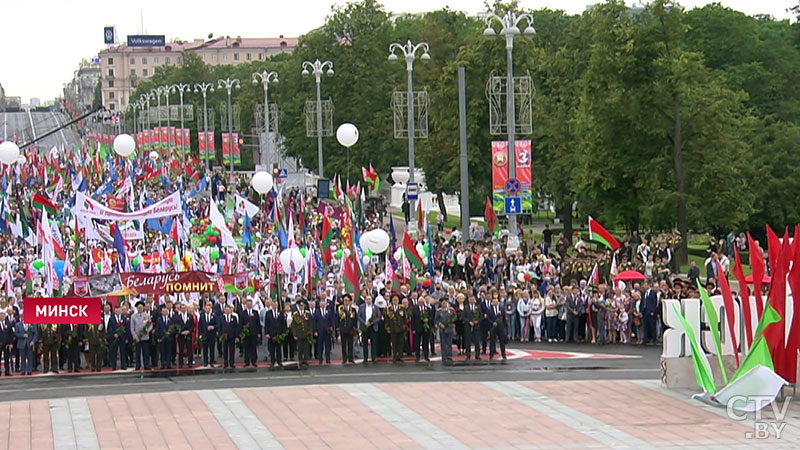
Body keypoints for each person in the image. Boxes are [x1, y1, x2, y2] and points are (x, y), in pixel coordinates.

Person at [358, 294, 380, 364]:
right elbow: (359, 316)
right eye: (367, 299)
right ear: (365, 300)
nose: (368, 300)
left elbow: (378, 317)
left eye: (369, 299)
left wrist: (372, 322)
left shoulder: (375, 307)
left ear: (372, 299)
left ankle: (374, 358)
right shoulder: (361, 307)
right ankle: (365, 358)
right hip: (365, 327)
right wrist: (364, 322)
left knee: (374, 343)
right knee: (365, 343)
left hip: (373, 327)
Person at [384, 295, 407, 363]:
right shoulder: (389, 308)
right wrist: (387, 327)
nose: (395, 301)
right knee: (394, 343)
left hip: (400, 327)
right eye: (394, 300)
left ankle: (400, 356)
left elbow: (404, 318)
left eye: (396, 300)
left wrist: (404, 326)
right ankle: (394, 356)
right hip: (393, 328)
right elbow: (387, 319)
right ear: (392, 301)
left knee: (400, 343)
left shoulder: (402, 308)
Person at [130, 301, 152, 371]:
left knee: (146, 352)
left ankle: (146, 364)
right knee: (137, 352)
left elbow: (150, 325)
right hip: (137, 338)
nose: (140, 309)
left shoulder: (146, 316)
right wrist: (135, 337)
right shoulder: (133, 316)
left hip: (145, 337)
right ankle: (138, 365)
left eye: (141, 308)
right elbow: (132, 328)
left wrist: (146, 331)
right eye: (139, 308)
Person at [291, 300, 312, 368]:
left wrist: (310, 332)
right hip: (299, 333)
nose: (301, 307)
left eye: (302, 306)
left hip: (306, 333)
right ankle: (300, 360)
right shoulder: (295, 314)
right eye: (300, 306)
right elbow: (293, 325)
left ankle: (305, 360)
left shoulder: (307, 313)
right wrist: (294, 334)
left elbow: (310, 324)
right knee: (300, 348)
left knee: (306, 348)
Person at [264, 298, 285, 367]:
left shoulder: (281, 313)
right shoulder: (268, 313)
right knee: (271, 349)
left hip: (279, 334)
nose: (274, 305)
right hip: (271, 334)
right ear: (271, 305)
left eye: (276, 304)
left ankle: (279, 361)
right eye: (273, 304)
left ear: (278, 305)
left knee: (278, 348)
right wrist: (266, 333)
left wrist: (283, 333)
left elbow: (283, 323)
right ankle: (272, 361)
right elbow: (266, 324)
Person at [337, 295, 357, 365]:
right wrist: (338, 327)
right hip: (343, 328)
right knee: (343, 344)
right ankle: (344, 358)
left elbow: (355, 319)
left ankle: (350, 358)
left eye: (347, 301)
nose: (346, 302)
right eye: (345, 300)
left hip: (350, 329)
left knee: (350, 344)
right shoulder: (340, 309)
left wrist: (354, 328)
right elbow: (337, 319)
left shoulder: (353, 310)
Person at [240, 299, 260, 368]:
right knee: (246, 348)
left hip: (254, 333)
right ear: (246, 305)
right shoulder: (243, 313)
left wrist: (258, 332)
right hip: (246, 334)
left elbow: (258, 323)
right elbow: (241, 323)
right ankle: (247, 361)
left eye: (250, 304)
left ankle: (254, 361)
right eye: (247, 304)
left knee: (253, 347)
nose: (249, 305)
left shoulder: (255, 312)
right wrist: (242, 332)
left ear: (252, 305)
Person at [174, 303, 195, 369]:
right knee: (181, 349)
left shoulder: (190, 316)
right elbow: (176, 326)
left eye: (184, 308)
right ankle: (180, 363)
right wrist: (181, 332)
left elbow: (192, 325)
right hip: (181, 335)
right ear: (180, 309)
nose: (183, 309)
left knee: (189, 349)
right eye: (182, 308)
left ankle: (190, 362)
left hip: (188, 334)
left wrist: (189, 331)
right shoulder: (177, 317)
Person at [219, 304, 240, 368]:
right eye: (226, 310)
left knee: (232, 349)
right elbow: (220, 327)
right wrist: (220, 336)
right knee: (225, 349)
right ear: (224, 310)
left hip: (232, 335)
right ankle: (225, 362)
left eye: (228, 309)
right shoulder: (221, 318)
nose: (227, 311)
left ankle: (232, 362)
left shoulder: (234, 318)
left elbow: (236, 327)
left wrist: (237, 336)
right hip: (224, 336)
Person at [435, 299, 455, 363]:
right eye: (443, 304)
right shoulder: (439, 311)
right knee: (443, 343)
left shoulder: (451, 310)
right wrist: (440, 324)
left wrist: (451, 321)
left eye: (445, 304)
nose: (444, 305)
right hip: (442, 329)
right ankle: (444, 356)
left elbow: (455, 317)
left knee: (449, 343)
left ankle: (449, 356)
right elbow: (436, 320)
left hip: (449, 328)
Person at [462, 294, 481, 360]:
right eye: (471, 299)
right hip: (468, 327)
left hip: (476, 327)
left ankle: (477, 355)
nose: (472, 300)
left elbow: (480, 317)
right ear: (469, 300)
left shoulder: (478, 307)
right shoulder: (466, 307)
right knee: (468, 341)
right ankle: (468, 355)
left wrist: (477, 321)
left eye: (473, 299)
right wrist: (469, 321)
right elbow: (463, 317)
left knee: (477, 341)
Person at [198, 301, 218, 367]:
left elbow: (217, 324)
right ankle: (205, 361)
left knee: (212, 348)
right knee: (205, 349)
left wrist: (212, 327)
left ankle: (212, 361)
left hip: (212, 334)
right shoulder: (202, 316)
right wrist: (200, 334)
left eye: (208, 309)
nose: (207, 310)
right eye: (206, 309)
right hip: (204, 334)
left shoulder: (214, 315)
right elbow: (200, 326)